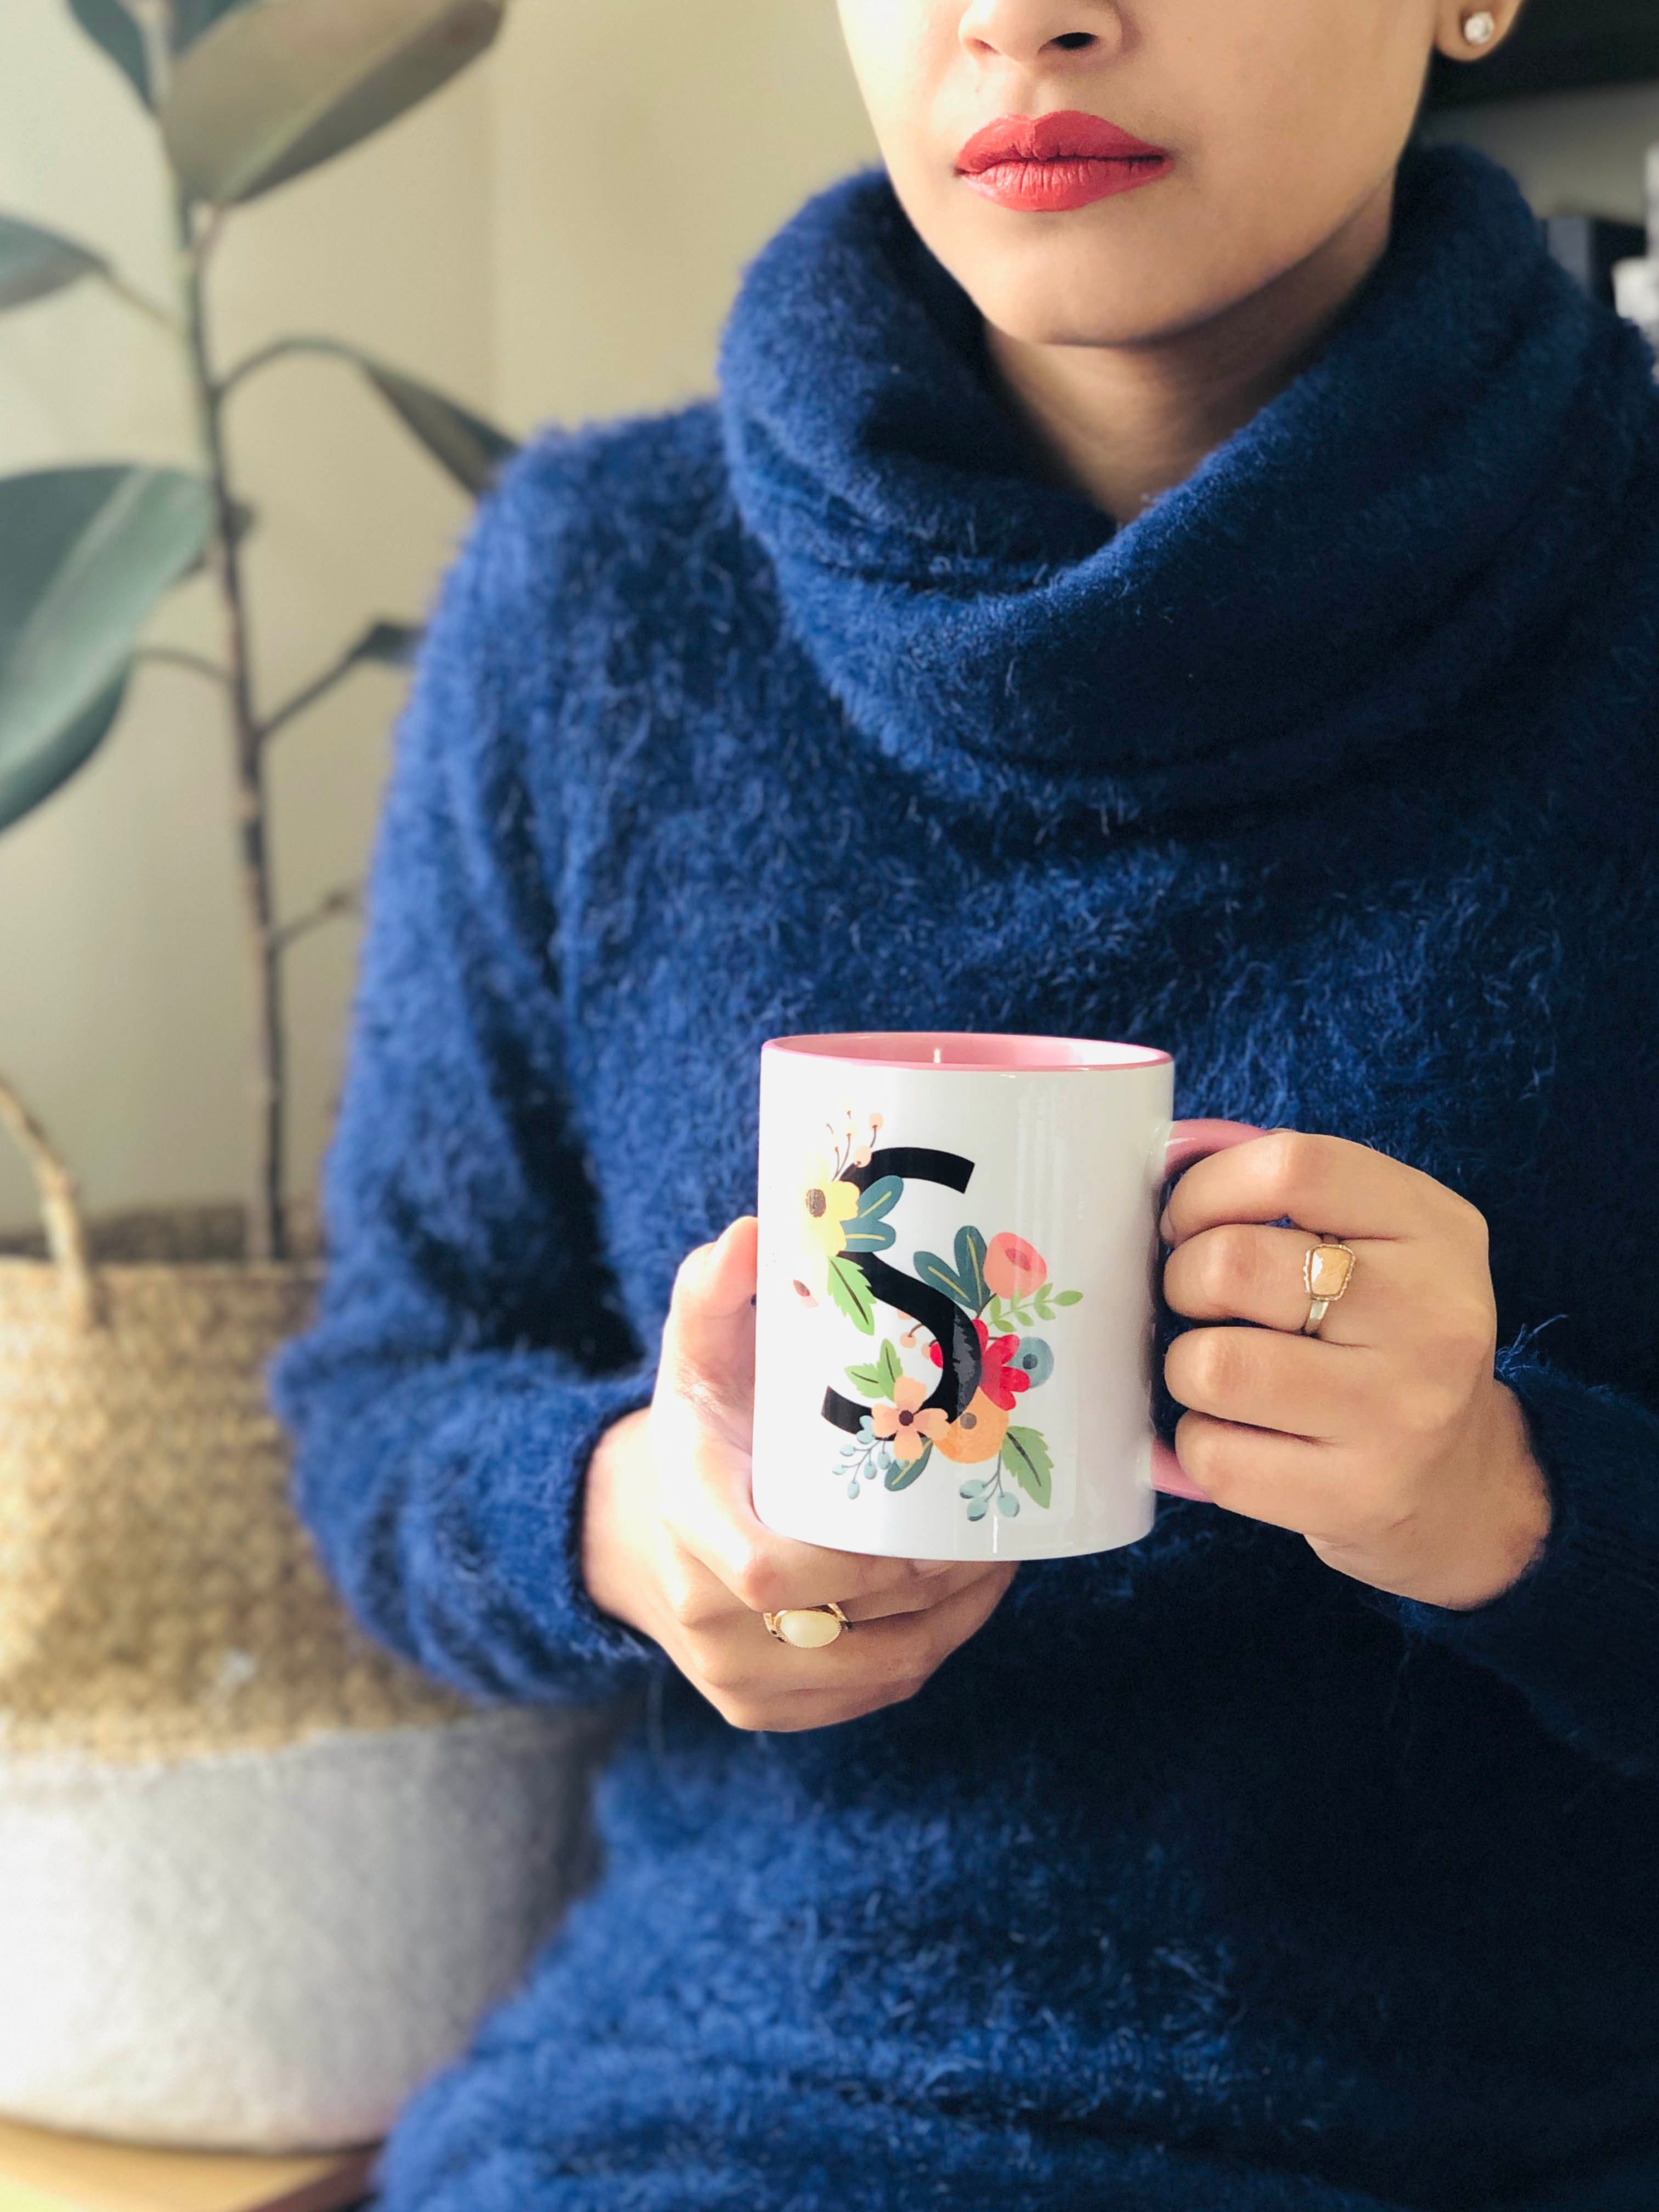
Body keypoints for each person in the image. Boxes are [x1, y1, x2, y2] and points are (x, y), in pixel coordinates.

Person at [267, 0, 1659, 2204]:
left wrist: (1511, 1498)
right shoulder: (598, 593)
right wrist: (631, 1519)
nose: (1024, 12)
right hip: (707, 2113)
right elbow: (384, 1404)